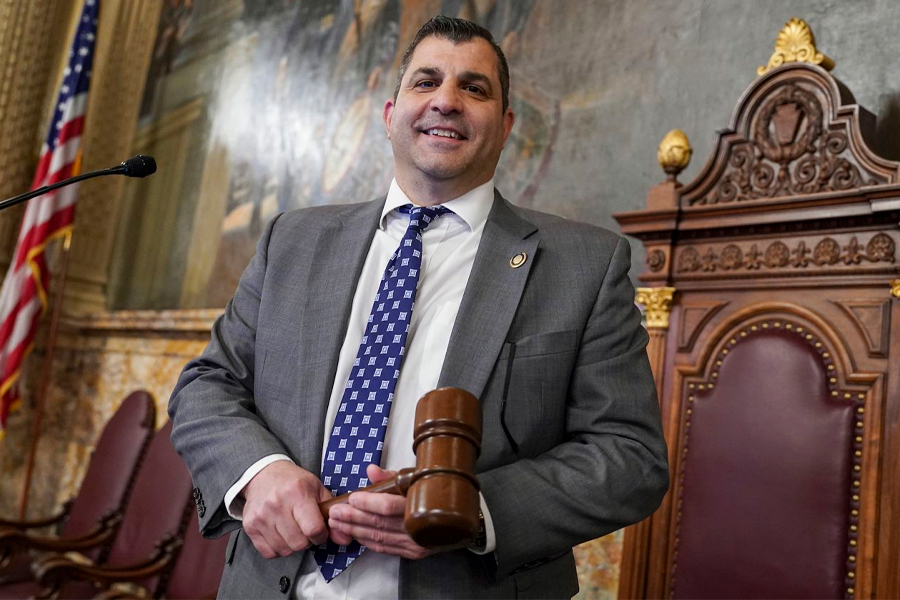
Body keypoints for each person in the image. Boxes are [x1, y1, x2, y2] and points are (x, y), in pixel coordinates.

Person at [169, 15, 668, 600]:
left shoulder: (584, 265)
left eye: (474, 88)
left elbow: (630, 457)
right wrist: (258, 473)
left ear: (506, 126)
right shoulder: (292, 241)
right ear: (390, 115)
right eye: (426, 82)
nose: (446, 102)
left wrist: (473, 509)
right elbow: (208, 384)